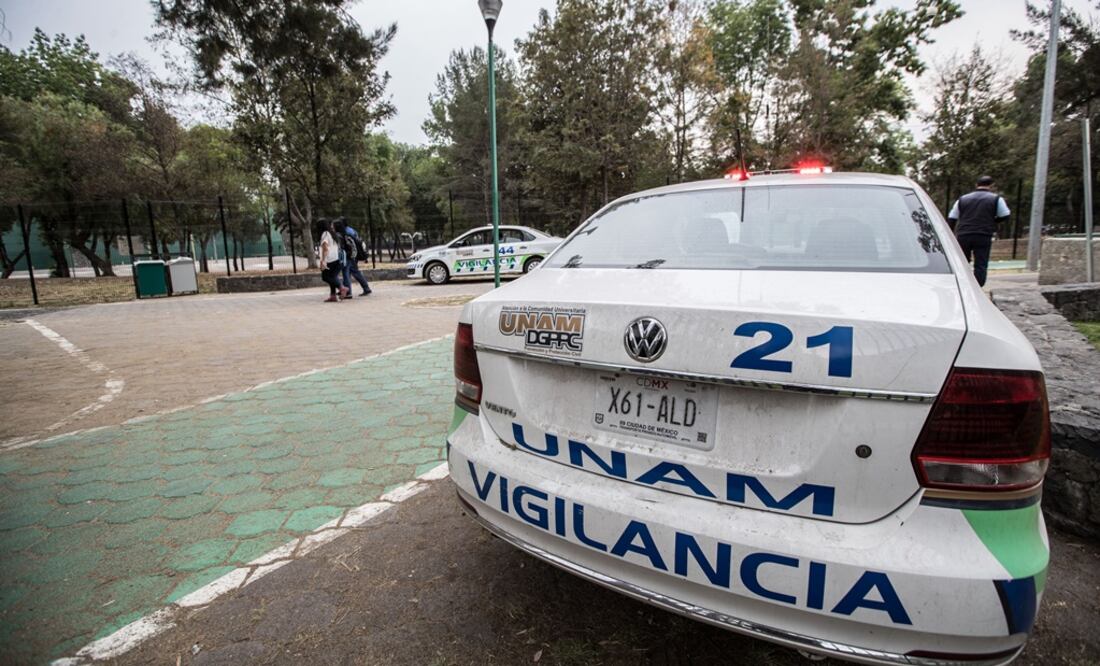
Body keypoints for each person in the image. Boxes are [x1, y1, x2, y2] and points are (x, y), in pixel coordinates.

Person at [947, 175, 1010, 287]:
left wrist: (950, 233)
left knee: (963, 261)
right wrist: (993, 221)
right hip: (983, 233)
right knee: (981, 262)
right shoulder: (996, 199)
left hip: (964, 233)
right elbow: (1005, 215)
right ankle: (978, 286)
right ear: (992, 186)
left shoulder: (963, 199)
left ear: (976, 185)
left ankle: (962, 284)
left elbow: (952, 217)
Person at [334, 218, 372, 297]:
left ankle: (348, 291)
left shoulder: (345, 233)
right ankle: (364, 288)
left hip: (350, 256)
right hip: (352, 255)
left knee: (347, 273)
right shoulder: (350, 230)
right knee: (354, 272)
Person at [317, 218, 347, 302]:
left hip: (330, 259)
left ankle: (342, 288)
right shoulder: (331, 233)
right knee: (332, 277)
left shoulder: (325, 234)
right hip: (336, 258)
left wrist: (323, 261)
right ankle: (333, 295)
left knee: (325, 277)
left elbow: (325, 248)